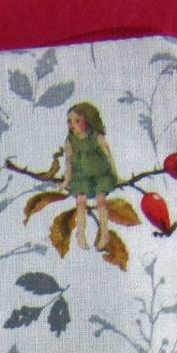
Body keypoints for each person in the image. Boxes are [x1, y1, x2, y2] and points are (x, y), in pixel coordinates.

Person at [58, 103, 120, 252]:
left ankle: (104, 233)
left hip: (100, 174)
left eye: (77, 121)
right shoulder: (70, 141)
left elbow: (108, 155)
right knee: (81, 202)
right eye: (69, 121)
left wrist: (115, 174)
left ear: (88, 121)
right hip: (82, 177)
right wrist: (66, 180)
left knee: (101, 201)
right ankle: (80, 234)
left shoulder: (96, 137)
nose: (72, 125)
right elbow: (68, 162)